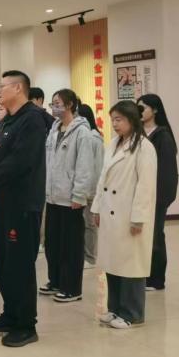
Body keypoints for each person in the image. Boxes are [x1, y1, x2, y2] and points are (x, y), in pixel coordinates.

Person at [0, 70, 48, 347]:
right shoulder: (7, 119)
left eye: (2, 86)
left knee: (19, 265)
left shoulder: (32, 120)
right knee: (0, 262)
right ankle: (10, 312)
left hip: (22, 204)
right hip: (2, 203)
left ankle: (26, 324)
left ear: (18, 88)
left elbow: (21, 160)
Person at [91, 100, 157, 328]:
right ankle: (115, 309)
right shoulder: (114, 143)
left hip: (129, 214)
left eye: (119, 119)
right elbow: (103, 178)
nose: (115, 124)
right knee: (113, 263)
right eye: (113, 120)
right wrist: (97, 207)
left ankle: (132, 314)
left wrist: (138, 218)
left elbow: (146, 186)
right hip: (110, 213)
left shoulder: (144, 147)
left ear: (131, 120)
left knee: (131, 265)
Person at [42, 89, 101, 303]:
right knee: (52, 243)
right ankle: (56, 281)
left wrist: (79, 195)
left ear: (69, 105)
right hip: (53, 196)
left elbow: (85, 167)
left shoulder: (82, 132)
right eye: (52, 103)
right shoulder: (54, 129)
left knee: (71, 246)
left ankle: (72, 288)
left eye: (57, 103)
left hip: (71, 199)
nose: (53, 107)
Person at [137, 94, 179, 291]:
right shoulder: (136, 133)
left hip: (156, 196)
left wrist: (160, 199)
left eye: (143, 108)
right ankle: (143, 274)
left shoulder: (163, 136)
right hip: (138, 195)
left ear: (154, 110)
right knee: (141, 237)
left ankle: (156, 279)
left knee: (154, 236)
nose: (139, 112)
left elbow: (167, 172)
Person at [77, 103, 104, 266]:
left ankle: (91, 257)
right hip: (82, 188)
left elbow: (98, 166)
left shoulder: (94, 138)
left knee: (90, 224)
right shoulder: (83, 135)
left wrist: (93, 191)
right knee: (83, 224)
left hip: (91, 189)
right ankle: (84, 254)